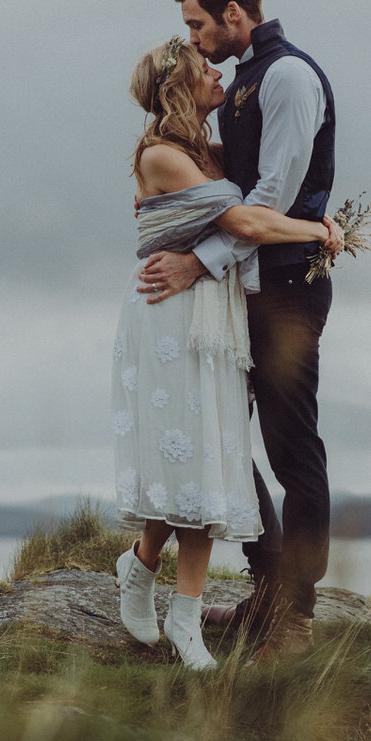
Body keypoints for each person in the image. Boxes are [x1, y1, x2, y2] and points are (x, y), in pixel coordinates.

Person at [113, 36, 343, 671]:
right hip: (173, 316)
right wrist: (321, 231)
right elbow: (246, 223)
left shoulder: (204, 153)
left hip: (216, 314)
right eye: (205, 69)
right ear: (183, 87)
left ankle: (148, 578)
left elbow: (251, 192)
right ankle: (154, 587)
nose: (219, 72)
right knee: (197, 453)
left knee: (206, 452)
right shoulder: (164, 155)